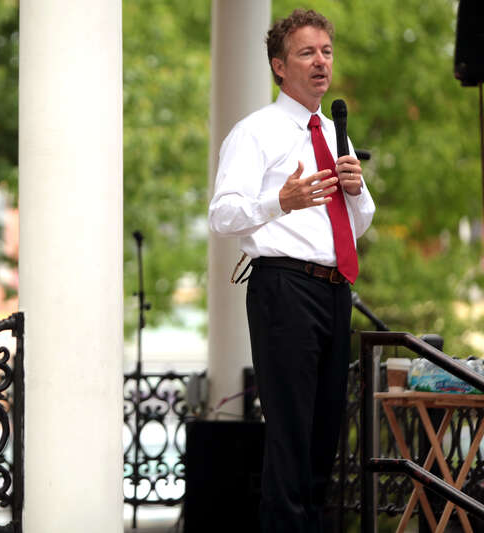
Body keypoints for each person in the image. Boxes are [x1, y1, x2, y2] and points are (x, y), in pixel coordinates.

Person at [208, 9, 375, 533]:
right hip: (284, 287)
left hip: (334, 290)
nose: (320, 61)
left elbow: (359, 224)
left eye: (326, 51)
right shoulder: (254, 132)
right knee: (291, 437)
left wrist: (356, 189)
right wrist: (280, 201)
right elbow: (222, 215)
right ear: (280, 67)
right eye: (307, 52)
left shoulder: (333, 131)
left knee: (326, 435)